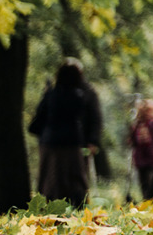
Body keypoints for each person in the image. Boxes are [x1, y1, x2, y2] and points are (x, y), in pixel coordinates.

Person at [28, 59, 104, 207]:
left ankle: (49, 207)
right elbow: (94, 118)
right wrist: (92, 140)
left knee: (50, 178)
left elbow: (38, 120)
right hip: (72, 142)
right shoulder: (83, 94)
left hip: (49, 142)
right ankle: (76, 206)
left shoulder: (50, 95)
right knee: (74, 178)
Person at [128, 98, 153, 201]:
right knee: (145, 182)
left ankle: (151, 198)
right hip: (142, 159)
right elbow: (132, 141)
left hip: (152, 158)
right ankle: (147, 200)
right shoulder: (138, 125)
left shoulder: (152, 124)